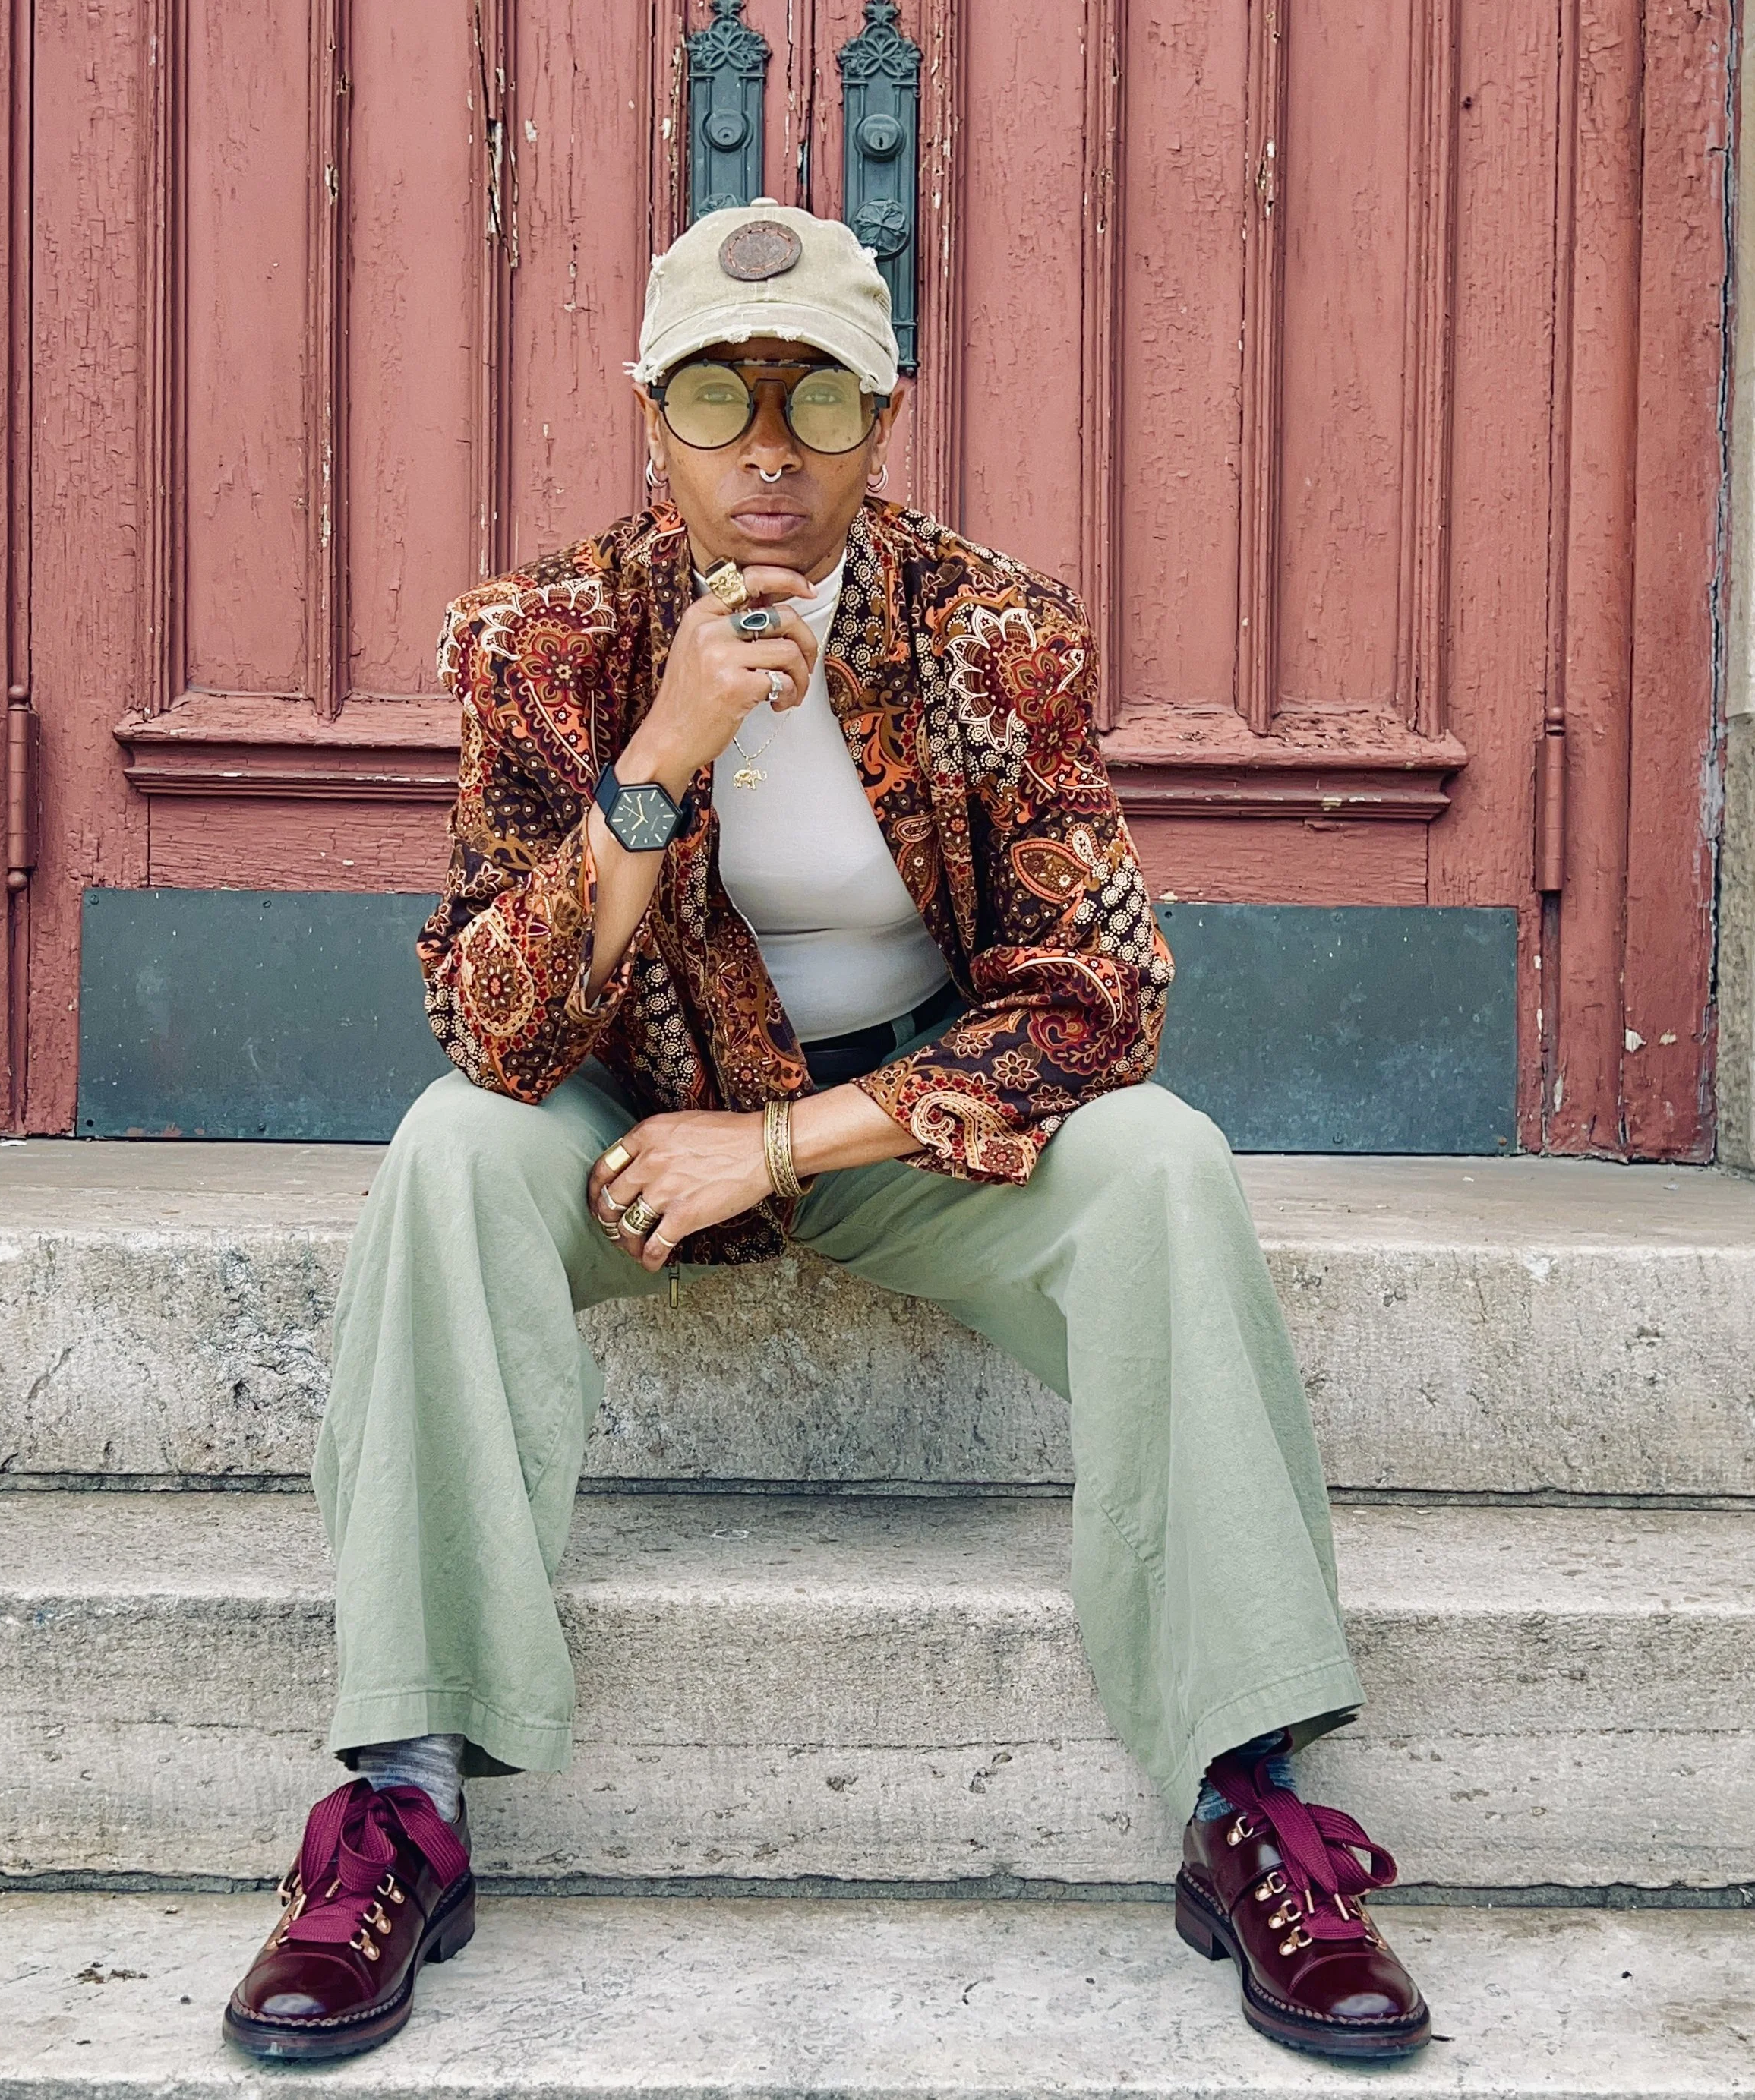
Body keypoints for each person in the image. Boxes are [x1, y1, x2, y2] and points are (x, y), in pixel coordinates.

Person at [223, 203, 1431, 2066]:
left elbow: (1095, 994)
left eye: (815, 397)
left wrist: (783, 1149)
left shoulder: (991, 630)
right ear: (652, 415)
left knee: (1170, 1162)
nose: (766, 447)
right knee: (446, 1156)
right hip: (626, 1118)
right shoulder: (545, 637)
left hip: (900, 1130)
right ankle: (401, 1800)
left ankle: (1244, 1794)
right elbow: (489, 1025)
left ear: (885, 411)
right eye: (717, 391)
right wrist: (659, 756)